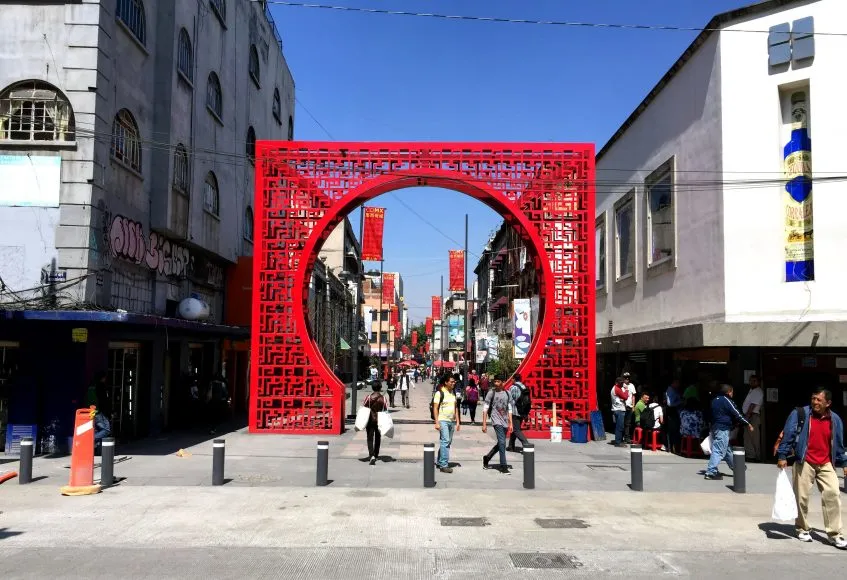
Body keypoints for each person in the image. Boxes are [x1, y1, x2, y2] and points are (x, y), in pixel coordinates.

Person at [776, 389, 847, 548]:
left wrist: (844, 463)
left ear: (828, 403)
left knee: (833, 494)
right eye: (813, 399)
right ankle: (802, 528)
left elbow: (839, 444)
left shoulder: (835, 419)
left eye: (819, 400)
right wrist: (782, 456)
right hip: (805, 460)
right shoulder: (800, 413)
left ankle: (835, 534)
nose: (815, 402)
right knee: (801, 497)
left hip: (826, 462)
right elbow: (788, 434)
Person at [704, 384, 753, 480]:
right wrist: (747, 423)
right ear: (729, 392)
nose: (732, 394)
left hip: (715, 427)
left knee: (727, 450)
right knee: (718, 449)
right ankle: (710, 472)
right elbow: (736, 413)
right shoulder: (726, 401)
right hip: (722, 428)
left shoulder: (714, 400)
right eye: (732, 392)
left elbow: (708, 413)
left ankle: (738, 468)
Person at [482, 375, 513, 474]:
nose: (496, 383)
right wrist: (484, 423)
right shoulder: (491, 393)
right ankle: (503, 466)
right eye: (495, 381)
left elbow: (510, 409)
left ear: (503, 382)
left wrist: (511, 423)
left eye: (498, 381)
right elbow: (485, 408)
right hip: (496, 420)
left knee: (501, 442)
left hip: (505, 420)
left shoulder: (508, 394)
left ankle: (487, 457)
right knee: (503, 443)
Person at [433, 373, 460, 473]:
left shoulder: (452, 393)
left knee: (447, 442)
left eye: (454, 381)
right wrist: (436, 422)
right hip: (442, 420)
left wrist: (458, 421)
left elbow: (455, 407)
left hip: (451, 421)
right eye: (452, 382)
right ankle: (444, 464)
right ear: (446, 382)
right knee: (445, 441)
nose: (454, 383)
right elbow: (435, 408)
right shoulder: (439, 393)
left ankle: (440, 461)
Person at [362, 381, 387, 465]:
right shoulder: (383, 398)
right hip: (379, 420)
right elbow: (385, 409)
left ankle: (371, 455)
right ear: (380, 388)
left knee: (370, 437)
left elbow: (364, 406)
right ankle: (376, 455)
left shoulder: (368, 397)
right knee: (378, 437)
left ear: (372, 387)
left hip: (369, 419)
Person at [506, 373, 531, 452]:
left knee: (516, 430)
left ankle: (526, 444)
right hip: (522, 411)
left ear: (514, 379)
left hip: (514, 411)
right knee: (515, 428)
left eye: (512, 379)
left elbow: (509, 399)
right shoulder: (524, 386)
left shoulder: (513, 387)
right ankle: (511, 446)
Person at [741, 374, 764, 461]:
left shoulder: (758, 391)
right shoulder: (752, 390)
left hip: (752, 416)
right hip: (749, 415)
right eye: (751, 380)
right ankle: (750, 454)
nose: (752, 382)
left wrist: (747, 416)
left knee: (753, 436)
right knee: (747, 436)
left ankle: (754, 456)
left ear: (758, 382)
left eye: (754, 381)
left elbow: (752, 405)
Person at [664, 378, 683, 454]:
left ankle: (673, 447)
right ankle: (672, 448)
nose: (678, 385)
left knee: (674, 430)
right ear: (673, 383)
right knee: (673, 431)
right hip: (672, 413)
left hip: (674, 413)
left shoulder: (674, 390)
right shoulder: (671, 391)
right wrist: (680, 402)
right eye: (677, 383)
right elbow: (670, 404)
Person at [610, 377, 628, 447]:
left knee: (618, 426)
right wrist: (626, 389)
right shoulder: (617, 389)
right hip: (619, 410)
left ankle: (618, 440)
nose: (622, 384)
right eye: (621, 383)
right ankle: (618, 442)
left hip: (616, 409)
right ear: (617, 383)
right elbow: (625, 397)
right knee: (620, 427)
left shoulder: (615, 388)